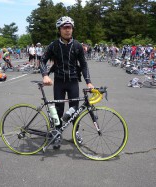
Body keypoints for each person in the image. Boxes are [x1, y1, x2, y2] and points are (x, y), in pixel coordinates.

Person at [39, 16, 94, 148]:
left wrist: (88, 82)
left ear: (72, 29)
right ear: (59, 30)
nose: (67, 30)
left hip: (73, 81)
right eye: (64, 28)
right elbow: (42, 60)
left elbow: (84, 65)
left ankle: (76, 132)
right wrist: (45, 75)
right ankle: (57, 134)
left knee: (75, 110)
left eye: (69, 27)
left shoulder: (77, 46)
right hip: (59, 82)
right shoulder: (53, 45)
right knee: (58, 110)